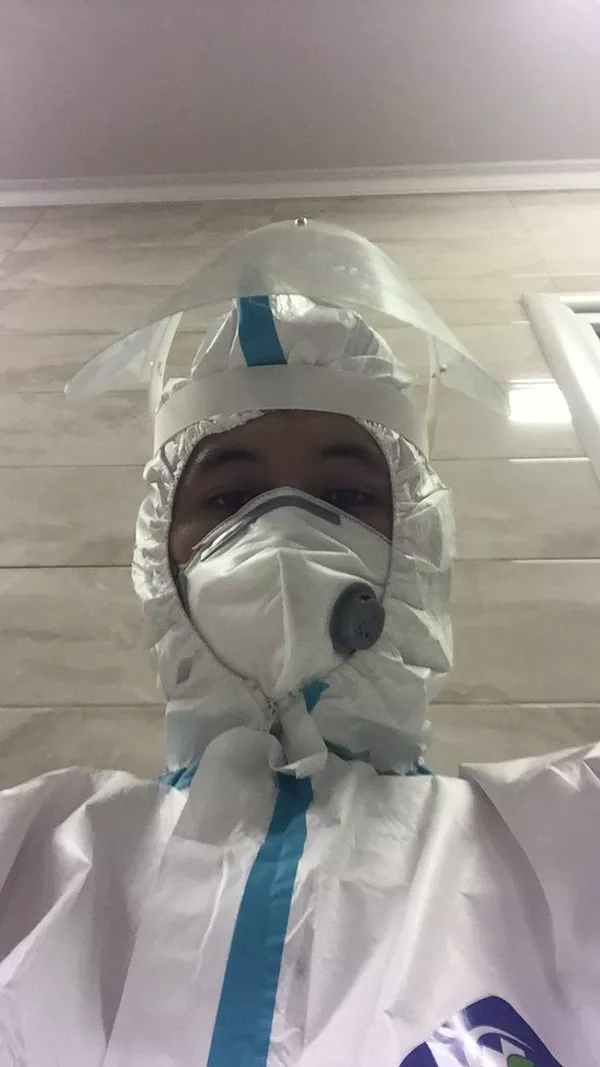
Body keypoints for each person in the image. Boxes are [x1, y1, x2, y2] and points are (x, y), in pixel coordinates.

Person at [0, 223, 598, 1066]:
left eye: (346, 494)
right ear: (161, 558)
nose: (283, 528)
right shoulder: (33, 859)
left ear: (418, 545)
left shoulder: (562, 844)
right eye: (230, 496)